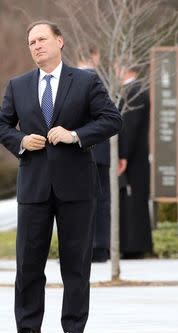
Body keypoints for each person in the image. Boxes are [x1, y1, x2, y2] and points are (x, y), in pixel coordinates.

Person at [0, 20, 122, 333]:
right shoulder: (18, 85)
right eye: (31, 42)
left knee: (75, 261)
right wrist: (21, 141)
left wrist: (75, 135)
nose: (36, 46)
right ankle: (28, 329)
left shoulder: (86, 81)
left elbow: (111, 119)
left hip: (77, 186)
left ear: (59, 41)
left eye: (42, 39)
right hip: (34, 186)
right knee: (29, 260)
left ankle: (74, 328)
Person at [77, 46, 111, 262]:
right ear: (95, 56)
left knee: (76, 202)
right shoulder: (100, 80)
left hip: (77, 149)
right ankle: (99, 247)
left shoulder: (69, 80)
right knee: (100, 201)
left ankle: (83, 248)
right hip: (99, 150)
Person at [117, 67, 152, 258]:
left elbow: (129, 127)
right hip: (136, 158)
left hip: (134, 160)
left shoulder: (134, 92)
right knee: (132, 202)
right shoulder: (134, 91)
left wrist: (123, 156)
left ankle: (134, 247)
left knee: (132, 202)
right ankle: (133, 246)